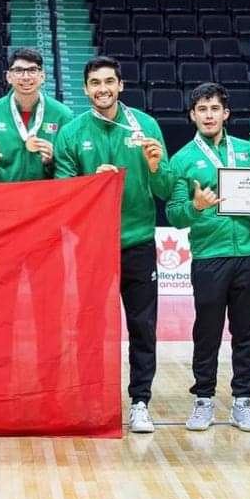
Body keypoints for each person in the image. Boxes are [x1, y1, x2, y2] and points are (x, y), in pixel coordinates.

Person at [54, 56, 173, 433]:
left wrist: (156, 166)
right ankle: (88, 401)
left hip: (137, 241)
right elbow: (62, 194)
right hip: (91, 245)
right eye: (95, 82)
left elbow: (166, 190)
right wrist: (92, 181)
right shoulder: (71, 133)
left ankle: (140, 402)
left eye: (109, 81)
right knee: (87, 328)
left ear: (120, 85)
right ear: (85, 88)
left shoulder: (146, 125)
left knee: (142, 327)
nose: (102, 88)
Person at [167, 82, 250, 432]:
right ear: (192, 115)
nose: (208, 115)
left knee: (247, 332)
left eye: (214, 109)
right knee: (207, 332)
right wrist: (195, 206)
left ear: (226, 114)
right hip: (208, 257)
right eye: (201, 109)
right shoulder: (182, 160)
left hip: (249, 255)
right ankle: (203, 399)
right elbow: (175, 214)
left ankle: (243, 401)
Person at [0, 47, 73, 181]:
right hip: (3, 197)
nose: (26, 77)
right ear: (8, 76)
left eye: (32, 70)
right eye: (18, 70)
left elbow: (70, 169)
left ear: (42, 76)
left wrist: (50, 161)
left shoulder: (62, 115)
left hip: (45, 197)